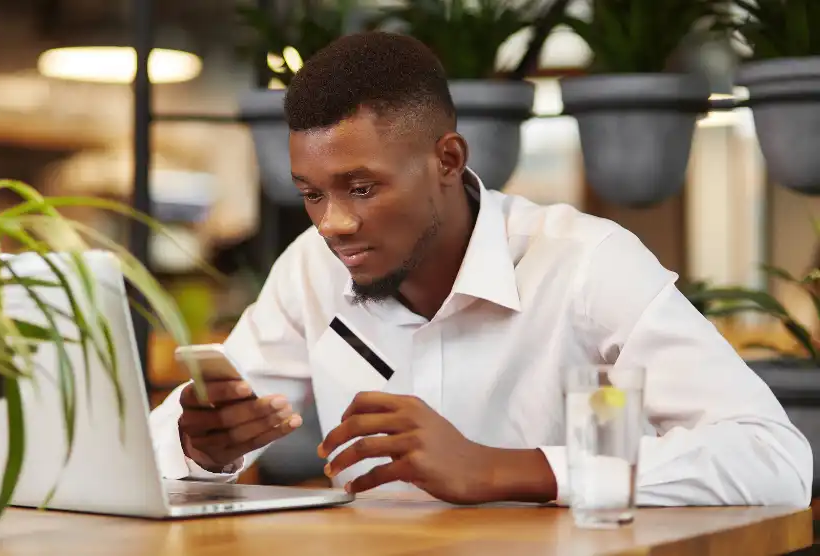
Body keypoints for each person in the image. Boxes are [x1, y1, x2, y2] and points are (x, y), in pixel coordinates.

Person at [149, 31, 812, 506]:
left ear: (447, 158)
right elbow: (152, 454)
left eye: (362, 187)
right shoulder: (310, 271)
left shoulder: (585, 264)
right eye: (312, 193)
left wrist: (509, 470)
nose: (332, 223)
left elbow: (774, 458)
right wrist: (202, 446)